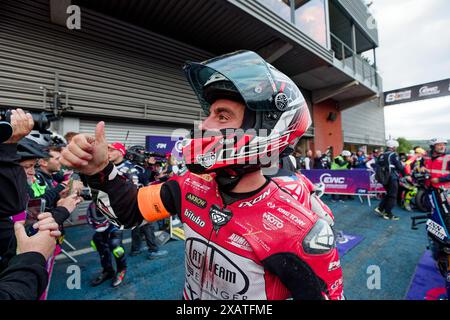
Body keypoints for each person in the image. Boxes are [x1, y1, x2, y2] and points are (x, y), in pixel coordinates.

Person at [61, 50, 344, 300]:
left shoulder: (297, 228)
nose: (204, 125)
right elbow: (127, 212)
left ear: (267, 131)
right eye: (208, 114)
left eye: (222, 116)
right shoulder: (190, 186)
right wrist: (98, 170)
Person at [374, 140, 411, 220]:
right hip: (392, 177)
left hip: (383, 178)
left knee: (389, 193)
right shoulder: (393, 154)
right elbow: (399, 167)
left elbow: (377, 165)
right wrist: (406, 175)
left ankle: (380, 208)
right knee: (393, 196)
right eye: (396, 147)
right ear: (393, 147)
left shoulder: (381, 155)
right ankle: (388, 214)